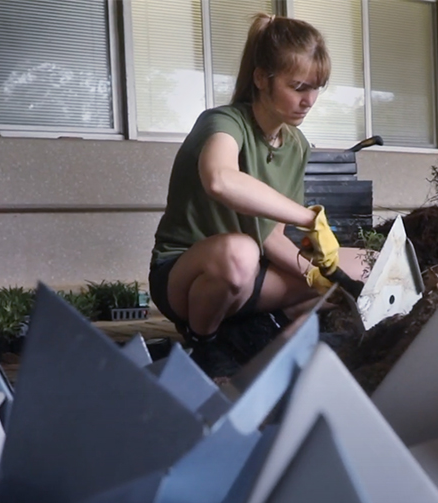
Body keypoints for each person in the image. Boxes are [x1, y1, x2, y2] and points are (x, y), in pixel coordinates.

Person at [149, 13, 366, 375]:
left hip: (251, 274)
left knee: (360, 267)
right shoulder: (222, 123)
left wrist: (319, 273)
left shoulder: (295, 145)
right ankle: (204, 346)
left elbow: (271, 239)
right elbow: (220, 179)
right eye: (298, 86)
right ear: (261, 79)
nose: (308, 100)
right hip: (186, 278)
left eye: (316, 87)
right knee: (239, 252)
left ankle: (260, 330)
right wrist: (306, 217)